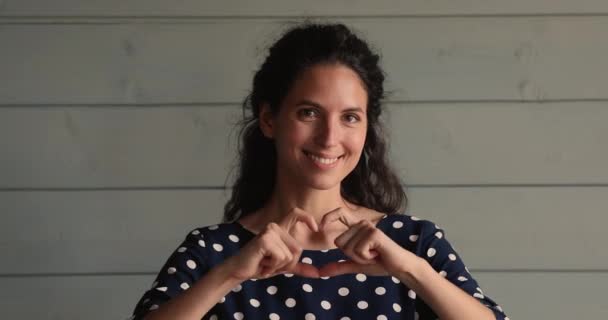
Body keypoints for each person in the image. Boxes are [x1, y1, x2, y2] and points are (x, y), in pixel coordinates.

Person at [129, 23, 509, 320]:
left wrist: (412, 272)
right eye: (308, 113)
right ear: (268, 119)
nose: (329, 138)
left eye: (349, 117)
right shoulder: (213, 253)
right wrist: (229, 276)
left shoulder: (414, 243)